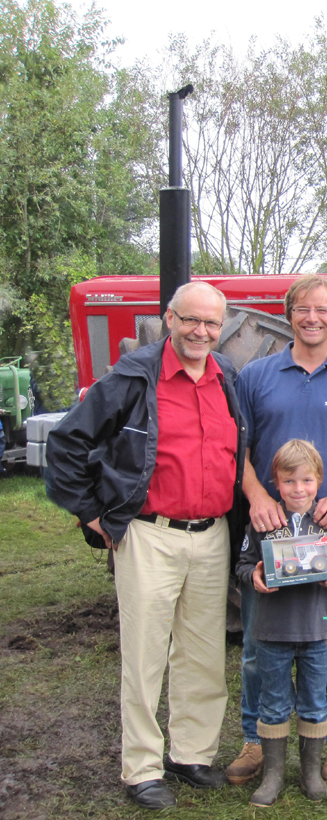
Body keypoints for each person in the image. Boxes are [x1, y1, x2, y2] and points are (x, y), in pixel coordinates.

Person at [45, 282, 245, 810]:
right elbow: (68, 442)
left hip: (212, 534)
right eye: (191, 320)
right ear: (170, 319)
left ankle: (192, 753)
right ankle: (141, 768)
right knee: (145, 654)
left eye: (211, 323)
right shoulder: (134, 377)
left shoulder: (229, 381)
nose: (201, 331)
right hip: (149, 533)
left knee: (203, 652)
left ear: (221, 327)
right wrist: (92, 514)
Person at [228, 274, 327, 789]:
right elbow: (239, 453)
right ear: (288, 313)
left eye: (322, 309)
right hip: (272, 535)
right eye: (302, 309)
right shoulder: (256, 376)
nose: (312, 318)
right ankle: (255, 737)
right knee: (257, 641)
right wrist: (257, 496)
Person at [235, 439, 327, 806]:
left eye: (306, 481)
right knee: (272, 703)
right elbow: (242, 565)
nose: (298, 489)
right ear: (275, 482)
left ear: (318, 481)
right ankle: (273, 775)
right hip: (272, 631)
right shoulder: (264, 522)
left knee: (315, 702)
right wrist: (254, 574)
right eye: (289, 482)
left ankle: (310, 774)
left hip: (317, 630)